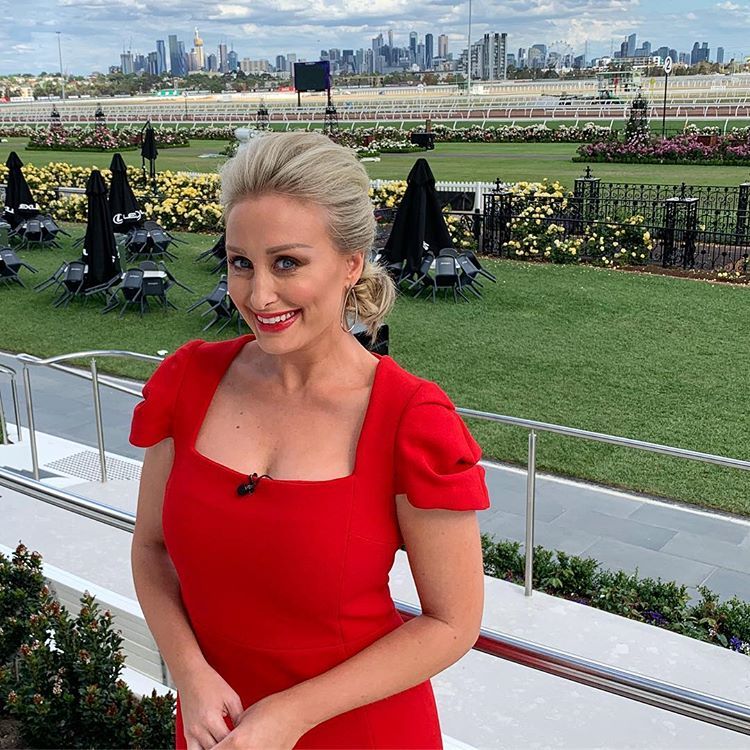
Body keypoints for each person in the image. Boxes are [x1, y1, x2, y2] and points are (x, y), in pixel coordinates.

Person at [129, 130, 491, 750]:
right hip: (216, 727)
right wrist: (189, 674)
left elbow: (452, 622)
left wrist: (291, 715)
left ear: (351, 264)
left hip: (358, 730)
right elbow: (152, 549)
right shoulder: (187, 381)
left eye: (287, 263)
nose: (258, 294)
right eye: (240, 262)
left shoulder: (410, 419)